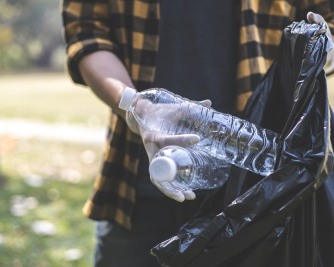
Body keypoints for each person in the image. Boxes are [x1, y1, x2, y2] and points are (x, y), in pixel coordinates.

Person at [61, 1, 334, 266]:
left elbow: (326, 19)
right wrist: (135, 106)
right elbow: (87, 32)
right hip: (137, 182)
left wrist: (323, 42)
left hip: (258, 189)